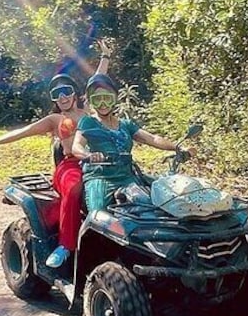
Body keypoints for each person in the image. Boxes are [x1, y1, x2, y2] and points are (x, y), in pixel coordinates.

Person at [0, 40, 113, 268]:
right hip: (70, 167)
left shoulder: (89, 113)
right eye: (56, 93)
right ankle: (65, 246)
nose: (62, 97)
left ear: (75, 94)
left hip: (97, 163)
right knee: (74, 189)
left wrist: (106, 57)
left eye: (66, 91)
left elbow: (97, 81)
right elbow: (24, 131)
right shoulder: (55, 120)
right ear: (53, 98)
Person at [72, 73, 193, 212]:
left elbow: (152, 138)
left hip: (127, 178)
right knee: (98, 215)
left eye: (107, 98)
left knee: (151, 208)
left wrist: (178, 148)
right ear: (91, 102)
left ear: (115, 99)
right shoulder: (88, 122)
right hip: (100, 178)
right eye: (97, 99)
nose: (103, 104)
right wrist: (89, 155)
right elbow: (77, 146)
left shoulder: (125, 124)